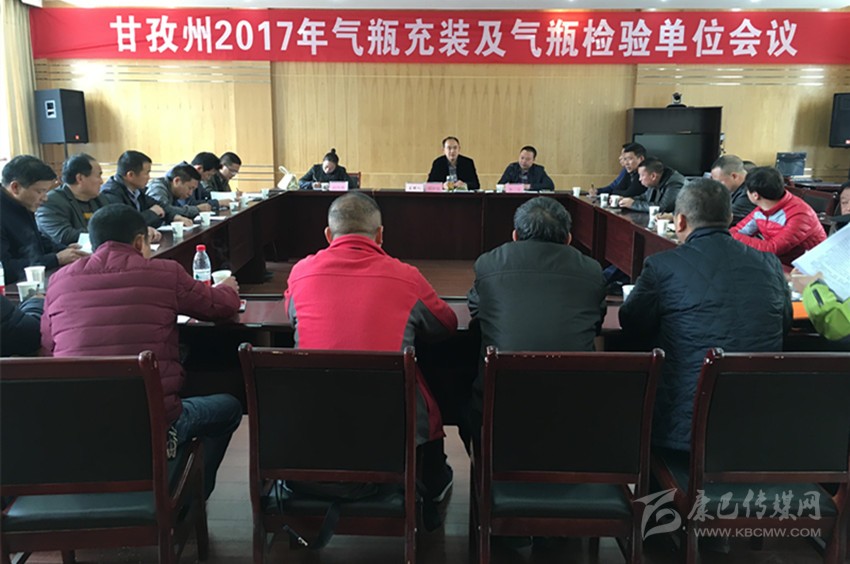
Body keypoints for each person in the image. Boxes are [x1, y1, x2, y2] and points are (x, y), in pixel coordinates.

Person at [41, 205, 242, 499]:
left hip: (79, 425)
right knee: (228, 407)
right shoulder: (164, 273)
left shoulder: (59, 281)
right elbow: (220, 306)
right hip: (153, 426)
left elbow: (49, 345)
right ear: (139, 242)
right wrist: (228, 288)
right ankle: (190, 499)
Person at [284, 191, 458, 504]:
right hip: (388, 424)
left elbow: (291, 315)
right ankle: (428, 481)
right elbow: (446, 324)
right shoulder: (407, 276)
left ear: (328, 235)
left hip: (312, 421)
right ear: (380, 235)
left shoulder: (300, 273)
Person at [620, 179, 791, 452]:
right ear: (730, 218)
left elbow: (631, 324)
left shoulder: (662, 265)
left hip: (682, 430)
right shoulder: (769, 263)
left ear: (680, 221)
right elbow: (784, 322)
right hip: (759, 427)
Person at [465, 196, 606, 447]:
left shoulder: (489, 263)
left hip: (501, 409)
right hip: (574, 410)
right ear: (568, 239)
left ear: (515, 236)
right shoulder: (592, 270)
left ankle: (483, 464)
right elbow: (596, 321)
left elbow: (477, 308)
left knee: (461, 395)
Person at [1, 155, 87, 284]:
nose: (45, 198)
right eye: (40, 191)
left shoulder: (21, 204)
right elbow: (5, 269)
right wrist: (55, 259)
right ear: (15, 187)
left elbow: (35, 240)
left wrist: (63, 249)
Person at [730, 166, 826, 266]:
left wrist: (732, 237)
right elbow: (738, 231)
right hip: (781, 262)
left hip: (808, 267)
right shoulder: (762, 209)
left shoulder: (800, 214)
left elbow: (772, 249)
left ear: (755, 195)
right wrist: (730, 236)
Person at [100, 150, 170, 228]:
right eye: (146, 173)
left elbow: (160, 206)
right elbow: (125, 224)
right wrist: (151, 213)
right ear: (131, 175)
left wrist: (173, 216)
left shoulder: (137, 190)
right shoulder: (111, 193)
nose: (149, 177)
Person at [620, 157, 684, 213]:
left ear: (653, 176)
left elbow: (663, 208)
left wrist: (633, 204)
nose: (639, 179)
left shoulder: (674, 183)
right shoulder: (656, 180)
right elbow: (645, 197)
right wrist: (627, 200)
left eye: (642, 175)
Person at [710, 154, 756, 224]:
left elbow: (723, 219)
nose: (717, 186)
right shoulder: (735, 188)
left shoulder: (749, 193)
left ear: (734, 176)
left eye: (719, 182)